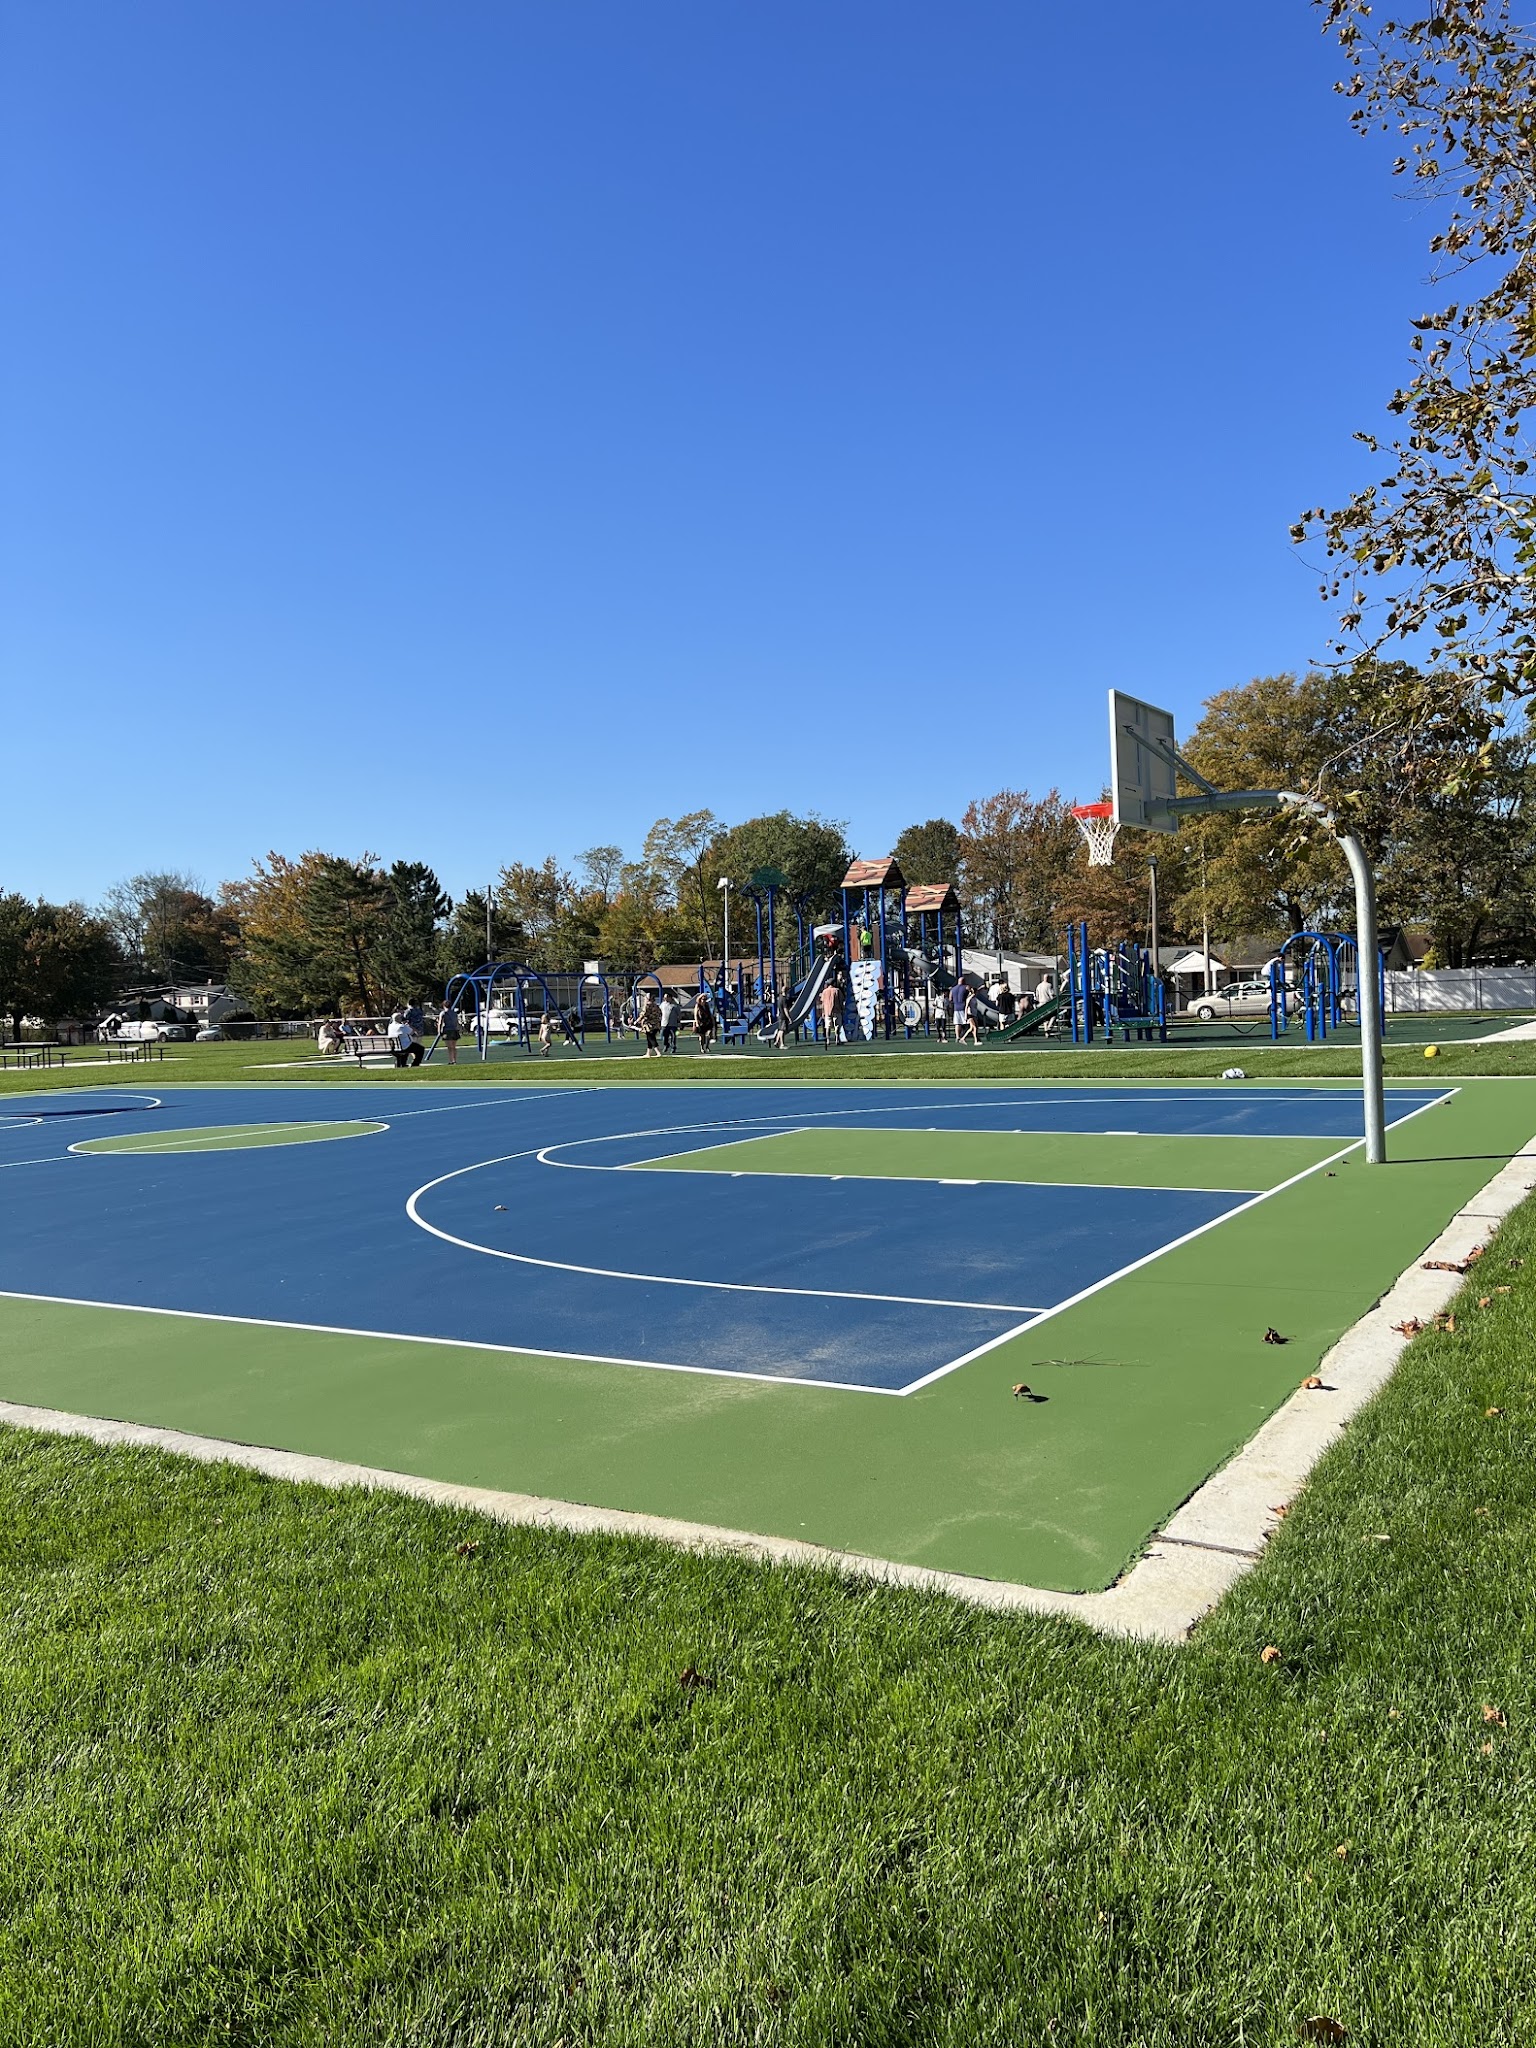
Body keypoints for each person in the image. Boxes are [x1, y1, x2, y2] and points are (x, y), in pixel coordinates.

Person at [639, 990, 662, 1057]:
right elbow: (660, 1014)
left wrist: (637, 1021)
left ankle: (658, 1052)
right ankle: (648, 1053)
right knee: (649, 1038)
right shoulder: (656, 1006)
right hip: (656, 1024)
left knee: (651, 1038)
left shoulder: (647, 1006)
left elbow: (643, 1014)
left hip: (649, 1025)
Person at [658, 989, 679, 1055]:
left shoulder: (674, 1005)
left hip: (673, 1024)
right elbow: (659, 1012)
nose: (665, 999)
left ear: (670, 997)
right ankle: (666, 1045)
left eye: (666, 997)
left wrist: (679, 1022)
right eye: (664, 998)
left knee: (673, 1036)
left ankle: (673, 1047)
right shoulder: (662, 1004)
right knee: (664, 1036)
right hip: (664, 1023)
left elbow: (679, 1014)